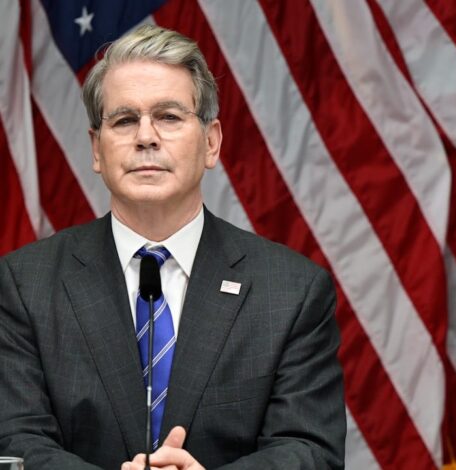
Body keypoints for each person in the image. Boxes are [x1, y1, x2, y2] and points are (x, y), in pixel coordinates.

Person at [0, 25, 345, 469]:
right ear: (97, 149)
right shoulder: (24, 285)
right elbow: (15, 440)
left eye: (168, 117)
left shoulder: (292, 290)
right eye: (125, 120)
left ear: (211, 142)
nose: (146, 136)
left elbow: (310, 449)